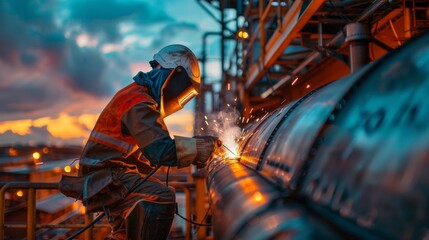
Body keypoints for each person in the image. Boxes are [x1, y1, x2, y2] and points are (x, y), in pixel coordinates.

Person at [71, 44, 219, 239]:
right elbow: (160, 151)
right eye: (183, 91)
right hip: (106, 176)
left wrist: (194, 152)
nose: (180, 98)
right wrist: (201, 148)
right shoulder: (137, 101)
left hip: (110, 174)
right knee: (161, 196)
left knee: (124, 231)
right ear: (174, 75)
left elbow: (148, 153)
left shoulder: (140, 96)